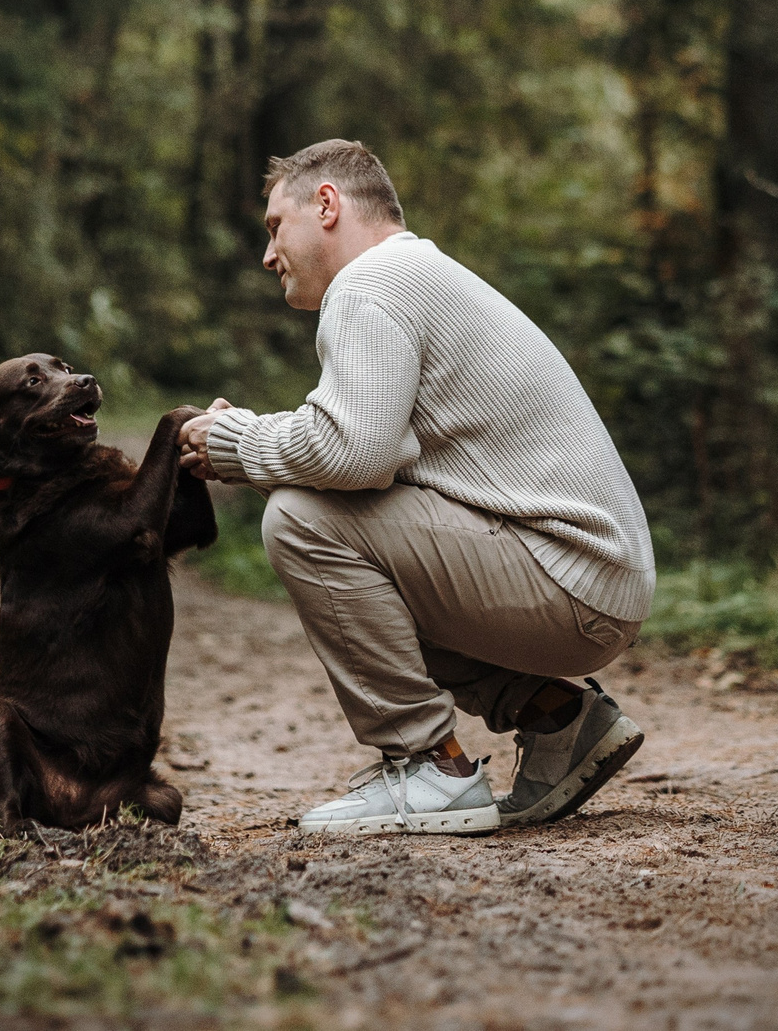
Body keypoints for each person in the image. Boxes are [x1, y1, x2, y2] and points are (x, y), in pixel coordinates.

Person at [181, 139, 656, 836]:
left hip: (568, 577)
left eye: (274, 226)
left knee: (302, 519)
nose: (267, 253)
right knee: (338, 532)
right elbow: (371, 455)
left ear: (326, 203)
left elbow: (352, 453)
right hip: (589, 576)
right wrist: (258, 441)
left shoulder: (371, 282)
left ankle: (430, 765)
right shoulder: (412, 275)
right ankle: (557, 717)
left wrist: (237, 441)